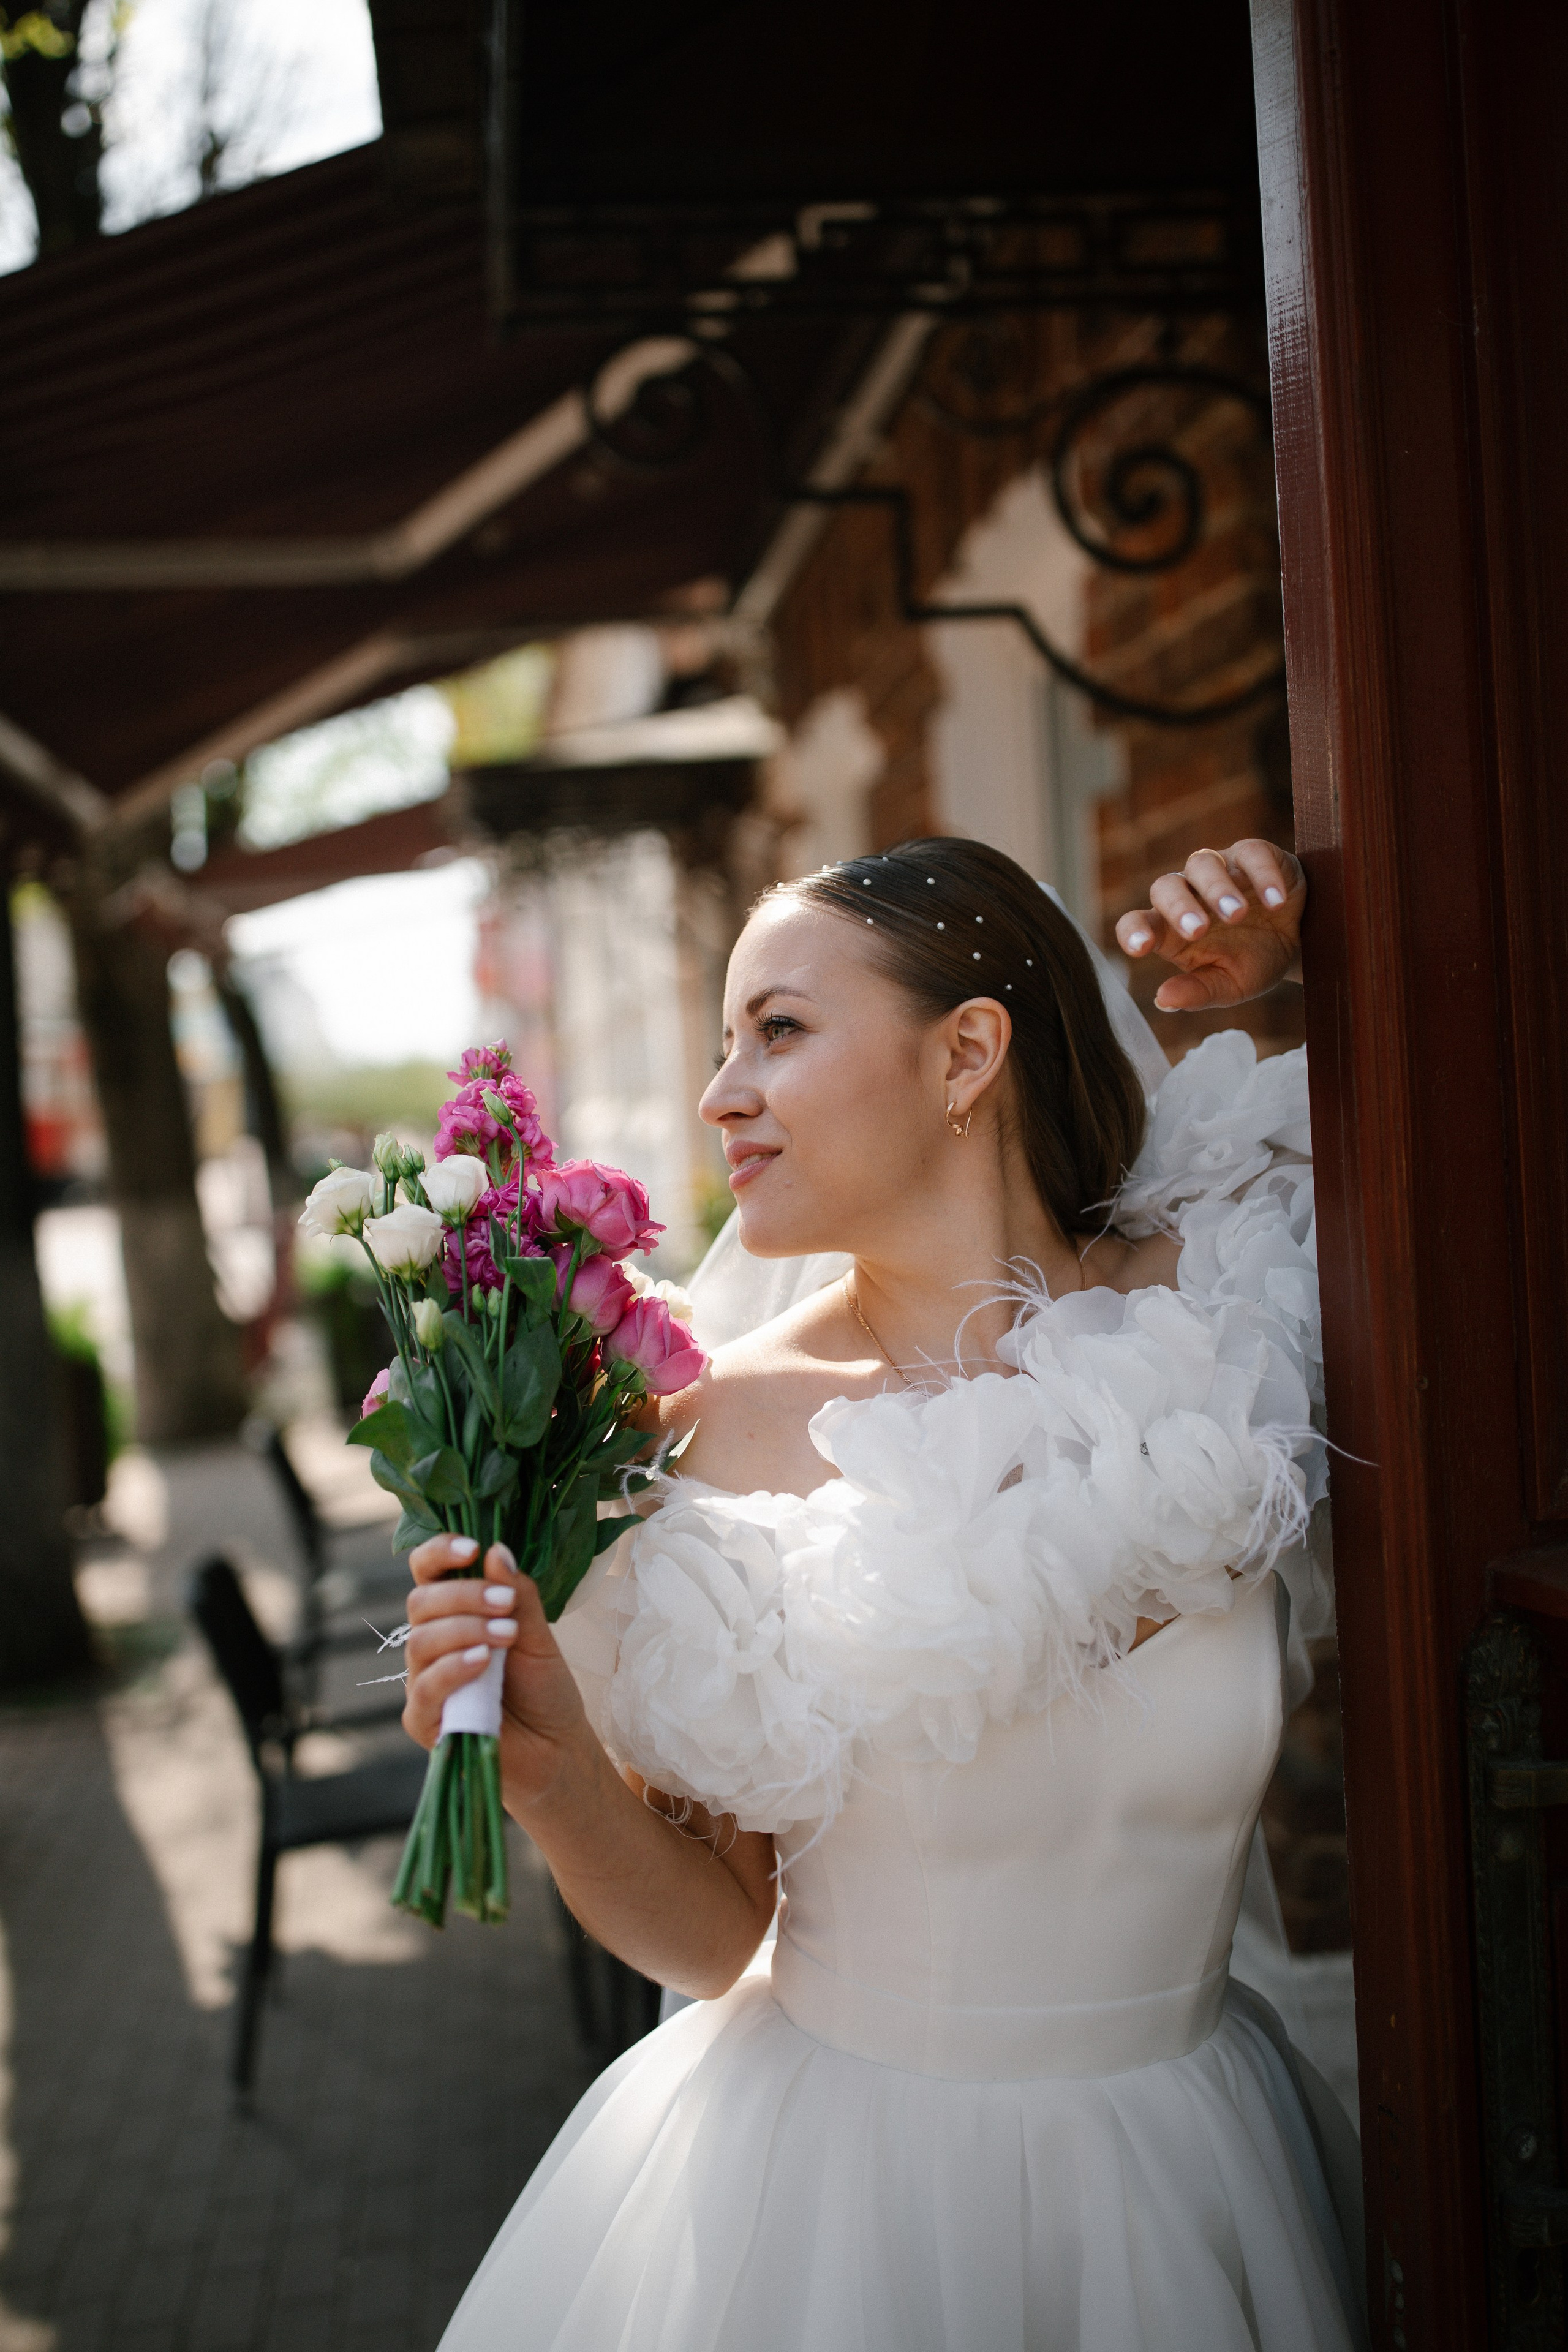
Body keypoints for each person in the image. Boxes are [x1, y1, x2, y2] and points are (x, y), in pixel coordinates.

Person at [402, 835, 1365, 2352]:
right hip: (841, 2208)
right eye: (727, 1043)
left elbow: (1480, 1185)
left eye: (776, 1030)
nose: (722, 1093)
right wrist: (551, 1773)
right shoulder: (696, 1436)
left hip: (1195, 2159)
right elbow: (720, 1942)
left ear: (965, 1053)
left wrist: (1300, 988)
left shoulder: (1231, 1300)